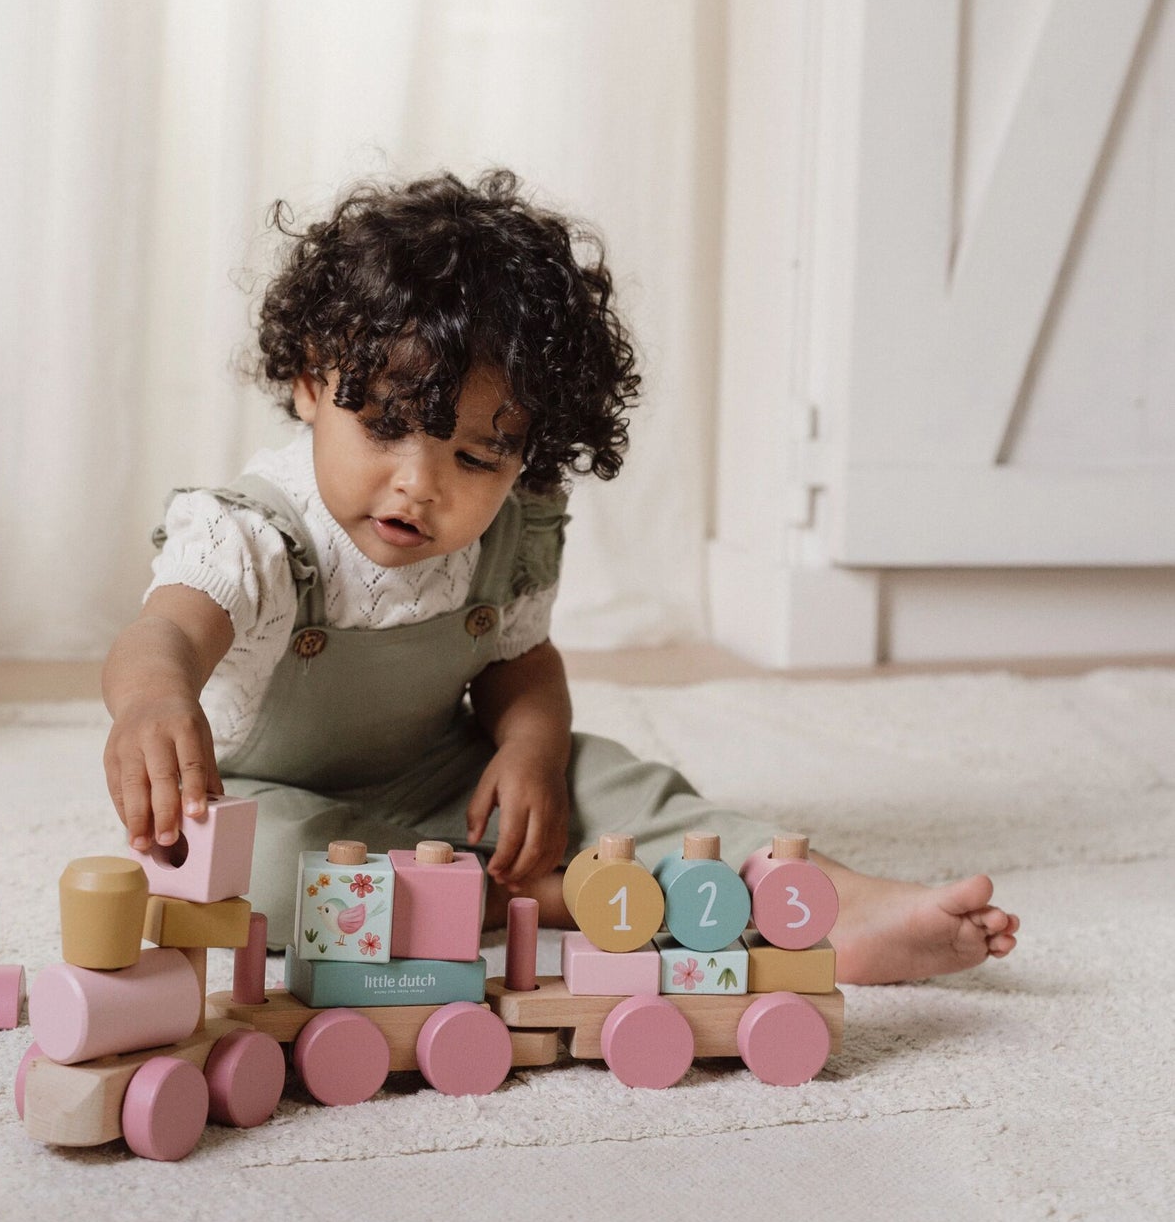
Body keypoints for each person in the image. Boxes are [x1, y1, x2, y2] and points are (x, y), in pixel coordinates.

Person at [101, 169, 1018, 985]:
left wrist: (531, 750)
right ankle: (556, 893)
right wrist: (151, 701)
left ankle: (825, 900)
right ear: (308, 382)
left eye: (474, 457)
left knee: (619, 787)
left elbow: (520, 661)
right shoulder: (254, 534)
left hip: (440, 775)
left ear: (527, 450)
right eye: (384, 428)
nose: (420, 485)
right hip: (272, 795)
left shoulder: (511, 527)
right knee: (263, 881)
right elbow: (170, 632)